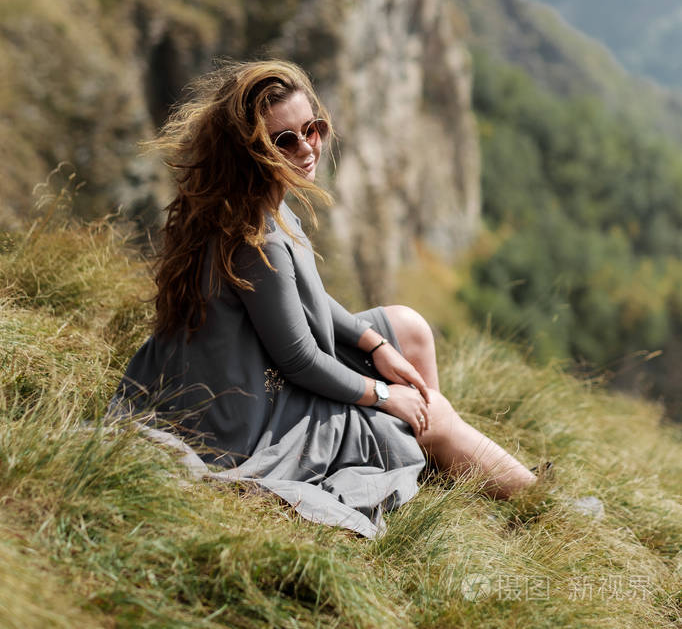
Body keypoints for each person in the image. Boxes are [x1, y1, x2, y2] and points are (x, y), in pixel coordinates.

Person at [111, 59, 537, 538]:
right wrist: (383, 395)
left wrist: (377, 344)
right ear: (249, 149)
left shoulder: (255, 200)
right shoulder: (255, 235)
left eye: (312, 128)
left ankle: (434, 455)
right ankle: (540, 502)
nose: (306, 147)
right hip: (245, 419)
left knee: (409, 329)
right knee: (428, 413)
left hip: (250, 370)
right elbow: (298, 359)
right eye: (284, 140)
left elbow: (305, 297)